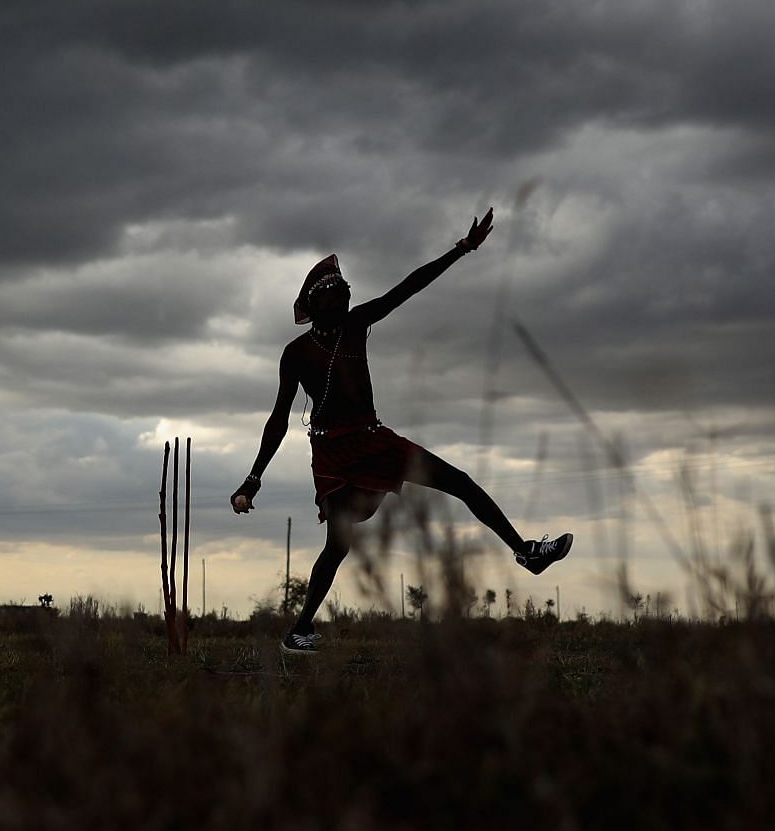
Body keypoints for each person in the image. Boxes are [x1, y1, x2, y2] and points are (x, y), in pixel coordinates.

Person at [231, 209, 573, 654]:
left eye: (343, 292)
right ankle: (298, 632)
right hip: (331, 453)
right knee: (339, 543)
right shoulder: (296, 354)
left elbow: (409, 287)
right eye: (331, 295)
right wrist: (253, 479)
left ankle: (525, 551)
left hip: (375, 440)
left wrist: (461, 250)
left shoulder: (357, 325)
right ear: (313, 305)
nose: (341, 300)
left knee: (461, 483)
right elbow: (278, 418)